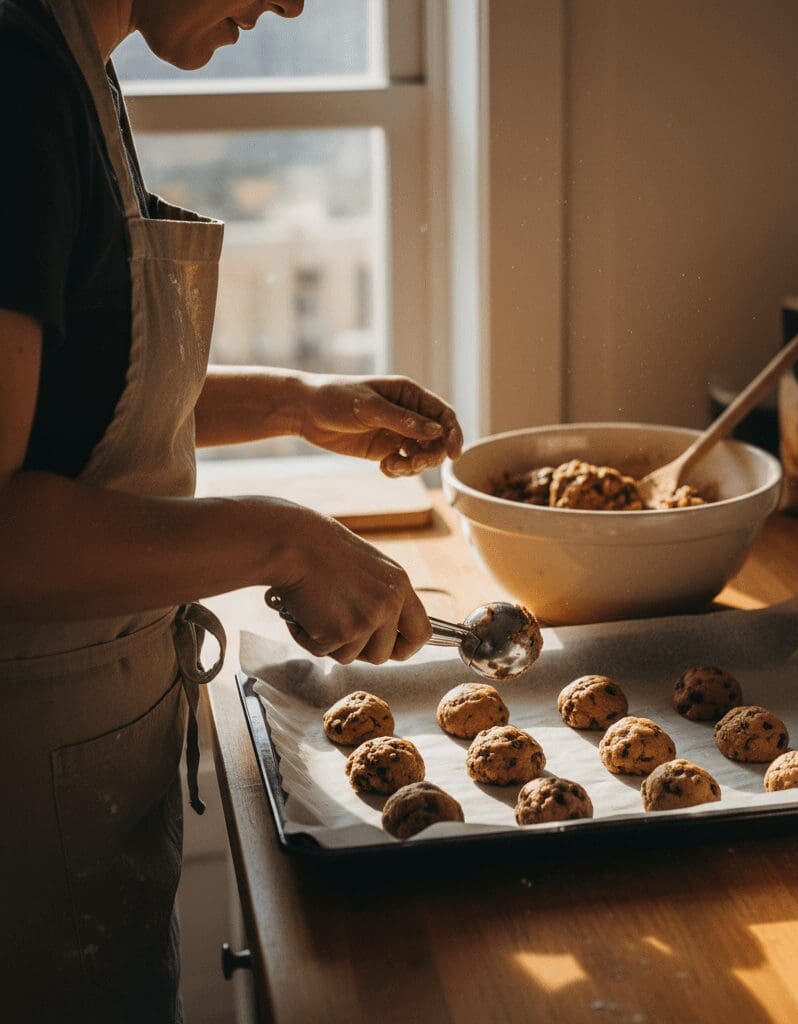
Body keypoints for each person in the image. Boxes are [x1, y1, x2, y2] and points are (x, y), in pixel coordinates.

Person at [0, 1, 462, 1020]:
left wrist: (298, 403)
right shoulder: (16, 87)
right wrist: (279, 539)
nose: (293, 4)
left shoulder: (78, 65)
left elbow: (70, 407)